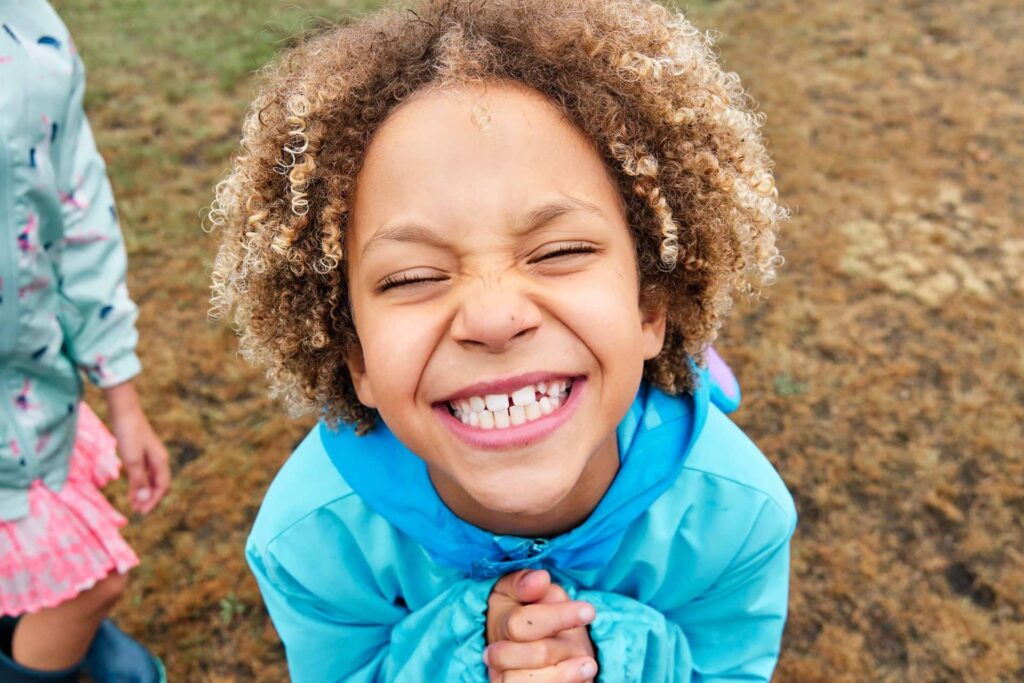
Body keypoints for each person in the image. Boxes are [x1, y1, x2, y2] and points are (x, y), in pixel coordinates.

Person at [211, 0, 796, 680]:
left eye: (560, 251)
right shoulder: (311, 540)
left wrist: (611, 653)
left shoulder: (737, 517)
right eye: (413, 276)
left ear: (649, 309)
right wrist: (468, 655)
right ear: (357, 358)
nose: (492, 317)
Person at [0, 2, 169, 681]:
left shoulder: (29, 28)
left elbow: (76, 207)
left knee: (72, 588)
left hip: (33, 395)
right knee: (92, 583)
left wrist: (121, 394)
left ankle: (33, 624)